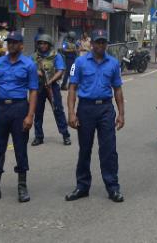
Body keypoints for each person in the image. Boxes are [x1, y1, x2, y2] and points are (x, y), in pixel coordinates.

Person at [65, 30, 126, 203]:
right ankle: (82, 187)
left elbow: (118, 89)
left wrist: (121, 114)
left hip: (106, 108)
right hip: (86, 109)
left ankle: (113, 187)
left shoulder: (114, 63)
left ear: (106, 44)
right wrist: (71, 112)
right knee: (85, 150)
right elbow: (72, 88)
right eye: (98, 42)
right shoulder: (80, 62)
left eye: (103, 42)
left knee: (109, 151)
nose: (100, 45)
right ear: (91, 43)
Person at [0, 31, 39, 204]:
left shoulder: (29, 65)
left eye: (15, 42)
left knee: (20, 148)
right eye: (9, 42)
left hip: (19, 108)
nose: (11, 45)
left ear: (21, 45)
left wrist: (30, 115)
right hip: (1, 109)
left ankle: (22, 186)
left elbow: (33, 91)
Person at [32, 33, 71, 146]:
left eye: (45, 43)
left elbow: (60, 71)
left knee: (58, 110)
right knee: (38, 112)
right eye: (40, 43)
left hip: (52, 87)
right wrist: (36, 72)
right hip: (38, 87)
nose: (42, 45)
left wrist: (50, 81)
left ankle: (65, 135)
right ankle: (39, 136)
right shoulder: (34, 57)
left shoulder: (55, 56)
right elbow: (28, 68)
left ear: (49, 45)